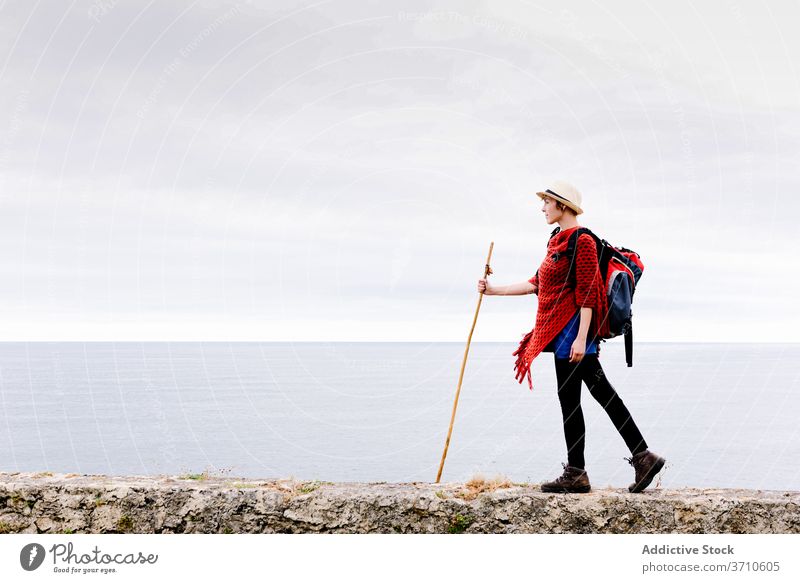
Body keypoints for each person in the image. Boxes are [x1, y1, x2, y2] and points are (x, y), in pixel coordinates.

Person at [477, 180, 665, 494]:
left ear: (562, 205)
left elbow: (589, 291)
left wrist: (580, 339)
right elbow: (536, 283)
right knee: (595, 396)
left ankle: (585, 471)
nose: (542, 208)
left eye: (546, 203)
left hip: (573, 336)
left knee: (577, 401)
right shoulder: (556, 241)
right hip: (567, 335)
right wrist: (492, 291)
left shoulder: (583, 240)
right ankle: (637, 457)